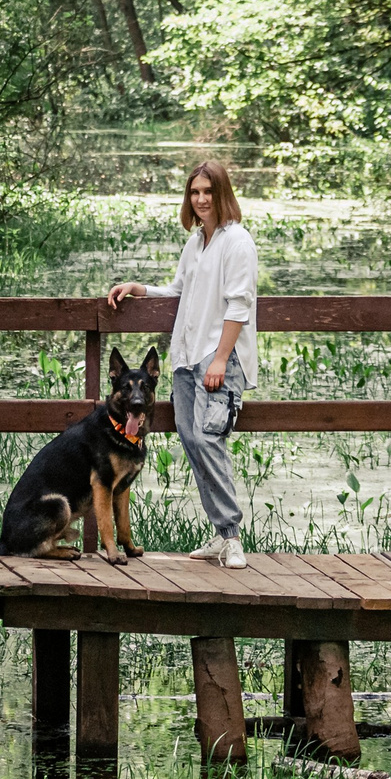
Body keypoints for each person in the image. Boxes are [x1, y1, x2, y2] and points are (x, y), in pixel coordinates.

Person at [105, 159, 258, 567]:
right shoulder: (196, 242)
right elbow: (178, 289)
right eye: (195, 192)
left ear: (222, 193)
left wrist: (221, 359)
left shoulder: (237, 242)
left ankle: (232, 536)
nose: (202, 199)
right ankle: (219, 534)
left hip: (216, 360)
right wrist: (139, 288)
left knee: (210, 441)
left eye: (209, 191)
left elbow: (239, 306)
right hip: (187, 359)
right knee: (193, 444)